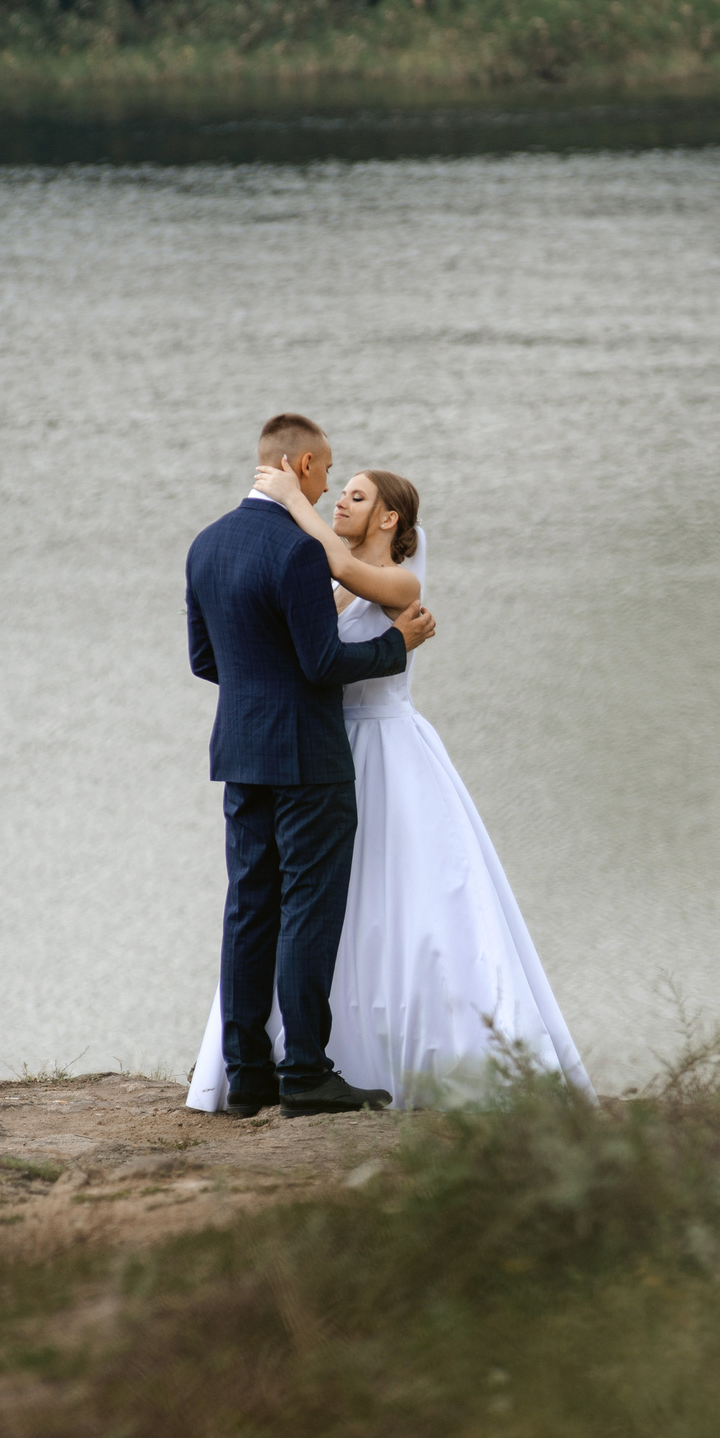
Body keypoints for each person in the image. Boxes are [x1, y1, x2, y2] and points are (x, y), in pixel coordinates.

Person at [185, 458, 590, 1112]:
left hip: (386, 748)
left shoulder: (394, 579)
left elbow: (345, 571)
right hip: (321, 749)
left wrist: (290, 499)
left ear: (389, 516)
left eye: (355, 497)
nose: (340, 503)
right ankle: (303, 1054)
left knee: (406, 896)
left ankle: (403, 1050)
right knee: (308, 906)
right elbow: (315, 647)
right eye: (336, 494)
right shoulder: (327, 578)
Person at [185, 413, 436, 1117]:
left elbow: (207, 660)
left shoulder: (205, 545)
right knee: (307, 911)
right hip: (307, 757)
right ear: (299, 466)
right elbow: (323, 662)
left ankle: (246, 1071)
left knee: (249, 907)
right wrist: (395, 649)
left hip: (240, 752)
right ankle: (303, 1072)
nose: (328, 485)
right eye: (325, 471)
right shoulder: (300, 552)